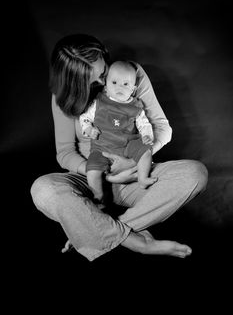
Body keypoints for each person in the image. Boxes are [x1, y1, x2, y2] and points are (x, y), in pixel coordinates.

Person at [30, 33, 208, 261]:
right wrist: (98, 171)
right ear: (74, 83)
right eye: (93, 81)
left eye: (104, 73)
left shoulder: (129, 74)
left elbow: (162, 128)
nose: (105, 83)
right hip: (91, 177)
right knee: (43, 189)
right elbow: (65, 153)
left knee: (194, 173)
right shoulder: (63, 95)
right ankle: (138, 243)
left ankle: (92, 232)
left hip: (136, 175)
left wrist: (133, 163)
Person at [79, 60, 156, 206]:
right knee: (92, 168)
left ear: (133, 89)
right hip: (102, 147)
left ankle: (142, 177)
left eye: (125, 84)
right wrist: (89, 129)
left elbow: (144, 124)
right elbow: (85, 118)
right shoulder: (99, 102)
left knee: (146, 151)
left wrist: (147, 136)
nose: (119, 87)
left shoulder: (136, 106)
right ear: (106, 84)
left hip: (128, 145)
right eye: (114, 82)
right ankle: (98, 194)